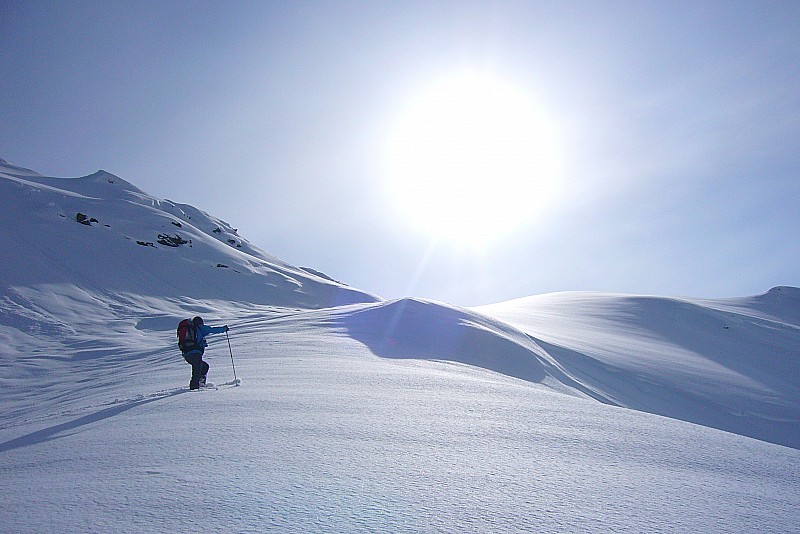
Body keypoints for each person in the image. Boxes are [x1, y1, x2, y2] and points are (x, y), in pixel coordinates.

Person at [183, 316, 228, 390]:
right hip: (195, 353)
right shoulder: (200, 328)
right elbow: (212, 330)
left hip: (187, 354)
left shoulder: (190, 330)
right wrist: (224, 329)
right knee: (197, 368)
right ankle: (194, 387)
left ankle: (200, 383)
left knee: (204, 366)